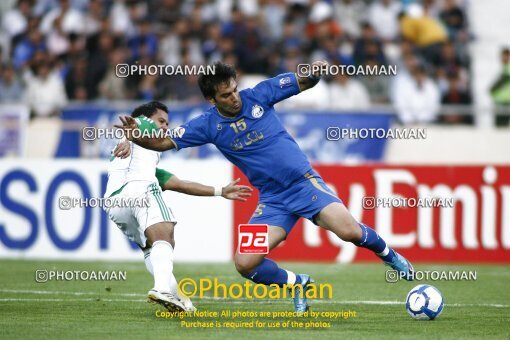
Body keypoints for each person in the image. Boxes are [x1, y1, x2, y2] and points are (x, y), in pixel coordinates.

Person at [115, 62, 414, 313]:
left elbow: (303, 80)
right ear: (212, 100)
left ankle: (389, 254)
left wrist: (315, 70)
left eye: (234, 89)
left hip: (303, 184)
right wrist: (134, 135)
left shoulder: (259, 94)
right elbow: (163, 142)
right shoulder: (205, 124)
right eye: (226, 95)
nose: (234, 98)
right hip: (272, 201)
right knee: (245, 263)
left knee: (350, 232)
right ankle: (298, 283)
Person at [105, 101, 252, 312]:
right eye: (161, 121)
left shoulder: (145, 166)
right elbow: (135, 126)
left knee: (151, 248)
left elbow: (181, 185)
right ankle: (162, 290)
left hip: (114, 203)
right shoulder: (142, 124)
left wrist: (220, 191)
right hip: (139, 190)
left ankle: (180, 299)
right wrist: (129, 137)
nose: (165, 127)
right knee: (166, 234)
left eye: (167, 123)